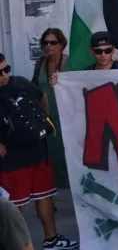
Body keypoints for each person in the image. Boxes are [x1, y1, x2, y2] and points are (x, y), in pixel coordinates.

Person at [0, 55, 78, 249]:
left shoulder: (20, 82)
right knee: (13, 204)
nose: (4, 75)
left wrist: (44, 121)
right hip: (11, 156)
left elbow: (42, 96)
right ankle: (16, 245)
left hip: (37, 149)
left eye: (6, 69)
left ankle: (52, 239)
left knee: (44, 195)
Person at [30, 29, 68, 189]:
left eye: (53, 42)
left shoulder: (70, 62)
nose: (49, 46)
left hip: (66, 116)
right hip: (46, 116)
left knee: (66, 153)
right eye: (45, 43)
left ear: (61, 44)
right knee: (49, 154)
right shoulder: (40, 63)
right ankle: (52, 191)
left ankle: (69, 190)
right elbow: (34, 87)